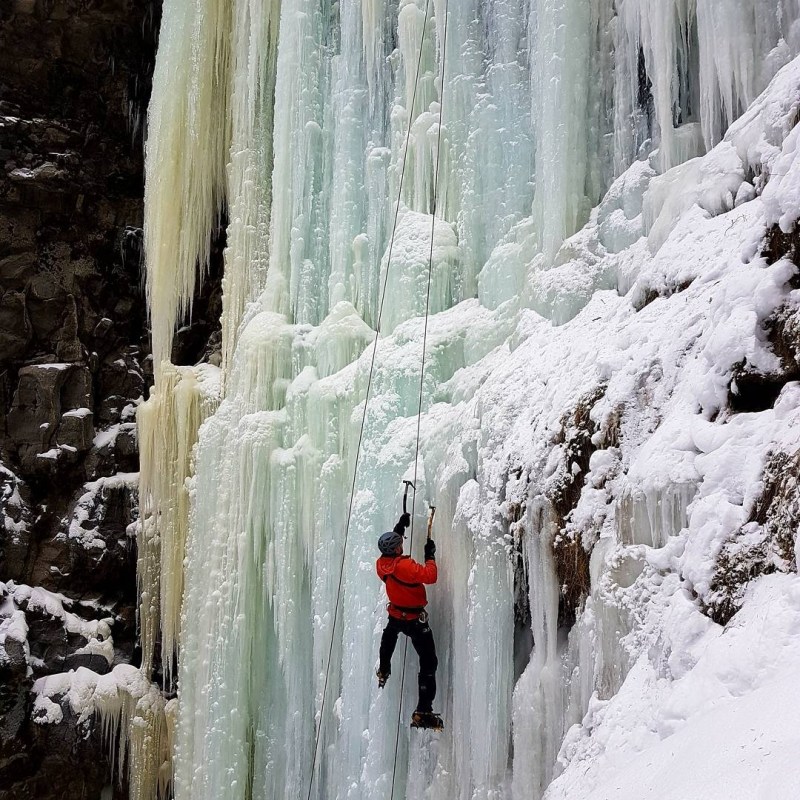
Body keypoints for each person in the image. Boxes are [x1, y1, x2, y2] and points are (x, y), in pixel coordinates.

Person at [375, 510, 442, 730]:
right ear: (396, 549)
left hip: (396, 616)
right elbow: (430, 576)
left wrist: (400, 526)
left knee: (389, 637)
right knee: (428, 662)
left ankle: (384, 668)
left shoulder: (381, 564)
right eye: (398, 544)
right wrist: (430, 556)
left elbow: (391, 552)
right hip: (415, 620)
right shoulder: (405, 566)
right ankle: (423, 710)